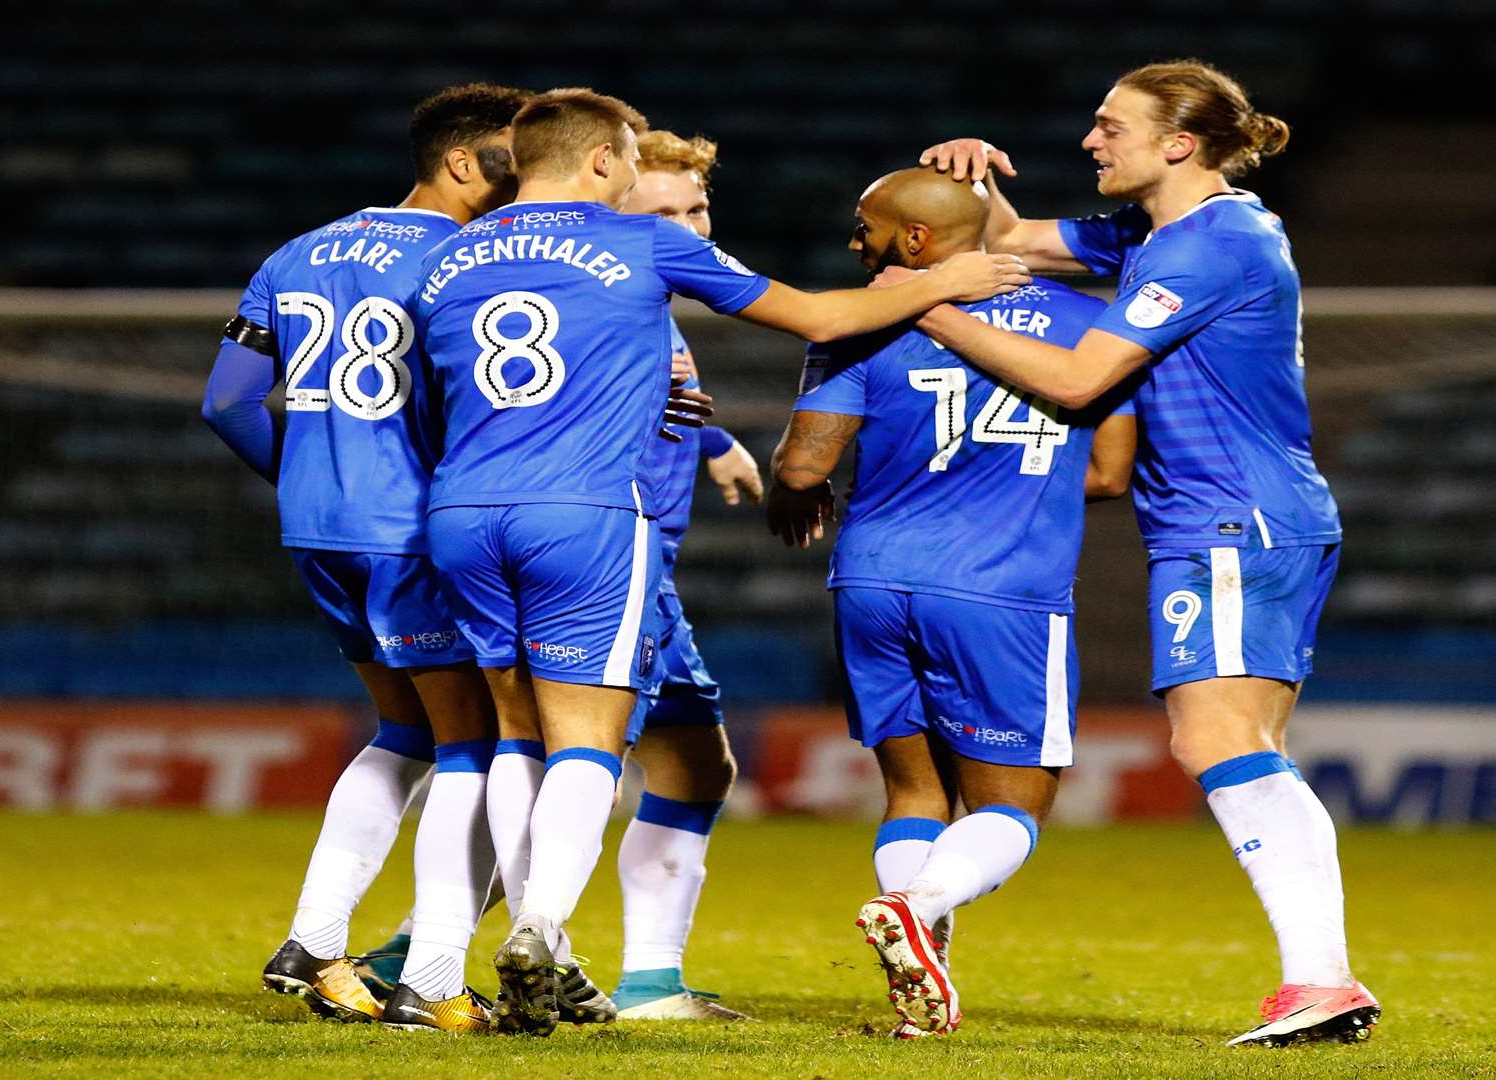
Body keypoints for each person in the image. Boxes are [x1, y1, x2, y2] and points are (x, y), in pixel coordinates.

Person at [412, 87, 1030, 1038]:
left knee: (513, 735)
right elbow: (820, 318)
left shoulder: (448, 257)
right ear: (604, 161)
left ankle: (471, 952)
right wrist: (948, 281)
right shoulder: (641, 245)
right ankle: (542, 930)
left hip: (458, 509)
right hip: (581, 514)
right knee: (583, 739)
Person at [912, 59, 1380, 1047]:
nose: (1091, 142)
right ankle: (1320, 981)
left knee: (1218, 744)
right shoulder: (1163, 231)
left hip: (1230, 517)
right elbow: (1009, 239)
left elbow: (1081, 381)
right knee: (1243, 744)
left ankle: (1323, 979)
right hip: (1257, 516)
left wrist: (931, 312)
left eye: (1109, 125)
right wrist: (975, 185)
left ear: (1179, 143)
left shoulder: (1207, 249)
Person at [767, 167, 1137, 1036]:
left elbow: (802, 469)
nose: (855, 243)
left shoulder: (864, 326)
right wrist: (1008, 487)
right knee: (1014, 806)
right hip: (1002, 588)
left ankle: (919, 975)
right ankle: (920, 906)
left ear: (918, 242)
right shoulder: (1093, 321)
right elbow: (1110, 472)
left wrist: (808, 482)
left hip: (873, 579)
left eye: (867, 229)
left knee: (913, 794)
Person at [200, 83, 529, 1031]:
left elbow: (225, 402)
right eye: (512, 157)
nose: (525, 177)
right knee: (476, 742)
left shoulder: (297, 252)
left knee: (405, 733)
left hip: (316, 530)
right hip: (415, 533)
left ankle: (312, 940)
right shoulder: (471, 261)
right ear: (462, 162)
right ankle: (431, 981)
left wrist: (308, 480)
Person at [612, 130, 761, 1021]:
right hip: (607, 568)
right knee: (568, 774)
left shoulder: (653, 305)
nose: (686, 228)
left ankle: (651, 982)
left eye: (696, 209)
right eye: (661, 212)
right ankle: (419, 951)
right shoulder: (608, 301)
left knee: (698, 766)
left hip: (650, 574)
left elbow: (664, 399)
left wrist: (717, 441)